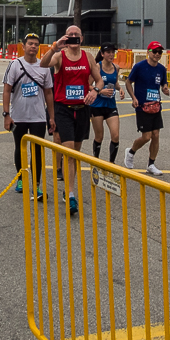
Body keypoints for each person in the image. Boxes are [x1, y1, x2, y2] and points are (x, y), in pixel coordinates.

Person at [40, 26, 103, 216]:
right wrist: (54, 47)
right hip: (63, 109)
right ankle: (71, 194)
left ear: (82, 38)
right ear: (66, 37)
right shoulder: (60, 56)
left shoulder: (88, 57)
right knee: (68, 151)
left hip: (82, 109)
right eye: (70, 35)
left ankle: (68, 189)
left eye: (77, 35)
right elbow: (43, 64)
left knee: (75, 153)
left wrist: (94, 91)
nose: (74, 37)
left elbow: (99, 80)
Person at [2, 33, 54, 200]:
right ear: (23, 46)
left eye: (36, 44)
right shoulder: (15, 65)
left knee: (37, 151)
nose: (33, 47)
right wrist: (6, 114)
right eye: (30, 44)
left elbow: (48, 93)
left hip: (38, 117)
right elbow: (7, 90)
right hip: (18, 116)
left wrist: (51, 117)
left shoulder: (44, 66)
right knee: (20, 148)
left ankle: (36, 186)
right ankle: (21, 179)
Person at [123, 41, 170, 177]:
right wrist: (133, 98)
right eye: (154, 51)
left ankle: (151, 164)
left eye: (159, 52)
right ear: (148, 52)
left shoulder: (161, 69)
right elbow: (128, 82)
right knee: (146, 136)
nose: (157, 54)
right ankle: (131, 152)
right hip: (142, 106)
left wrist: (165, 88)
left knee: (156, 135)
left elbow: (163, 83)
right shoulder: (139, 67)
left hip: (155, 106)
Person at [90, 43, 125, 164]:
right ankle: (96, 161)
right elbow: (88, 85)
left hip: (110, 105)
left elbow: (114, 82)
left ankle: (111, 163)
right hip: (97, 105)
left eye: (112, 52)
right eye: (108, 52)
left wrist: (120, 89)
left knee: (115, 135)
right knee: (99, 136)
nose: (111, 55)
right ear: (102, 54)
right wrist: (100, 91)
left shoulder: (116, 67)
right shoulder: (97, 67)